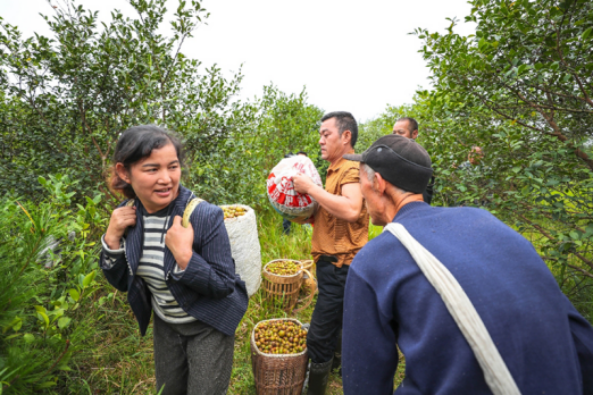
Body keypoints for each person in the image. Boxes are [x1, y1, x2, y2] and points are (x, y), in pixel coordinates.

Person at [341, 135, 593, 395]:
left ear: (379, 183)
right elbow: (578, 335)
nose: (360, 190)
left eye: (360, 180)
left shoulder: (374, 260)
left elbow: (363, 382)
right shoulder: (483, 219)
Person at [99, 126, 248, 395]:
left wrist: (186, 257)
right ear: (124, 172)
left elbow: (225, 285)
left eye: (173, 166)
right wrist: (111, 240)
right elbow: (122, 281)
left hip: (208, 324)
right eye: (152, 169)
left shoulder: (203, 216)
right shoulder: (126, 215)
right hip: (166, 324)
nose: (166, 179)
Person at [293, 111, 369, 395]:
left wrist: (311, 189)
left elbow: (350, 209)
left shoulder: (350, 168)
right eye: (320, 135)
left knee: (319, 334)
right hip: (333, 264)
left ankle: (315, 388)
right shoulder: (336, 168)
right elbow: (336, 209)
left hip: (340, 266)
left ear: (346, 136)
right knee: (338, 321)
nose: (321, 140)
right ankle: (338, 366)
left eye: (327, 134)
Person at [392, 117, 435, 204]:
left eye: (401, 132)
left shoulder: (421, 158)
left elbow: (425, 194)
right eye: (394, 133)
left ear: (414, 134)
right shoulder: (390, 155)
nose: (396, 136)